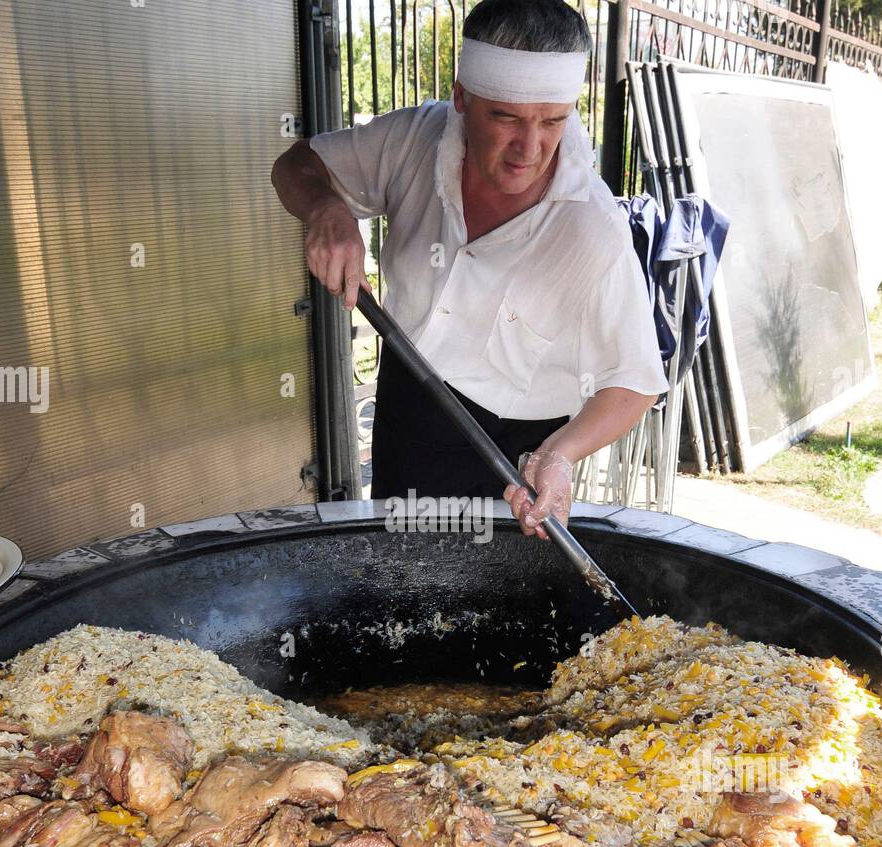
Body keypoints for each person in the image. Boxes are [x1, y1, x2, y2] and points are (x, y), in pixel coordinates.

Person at [271, 0, 666, 539]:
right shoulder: (413, 141)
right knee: (397, 582)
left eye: (553, 121)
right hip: (407, 397)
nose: (529, 149)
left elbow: (635, 381)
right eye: (506, 118)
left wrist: (560, 455)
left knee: (502, 606)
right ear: (462, 97)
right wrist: (326, 208)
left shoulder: (592, 228)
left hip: (513, 453)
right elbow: (297, 164)